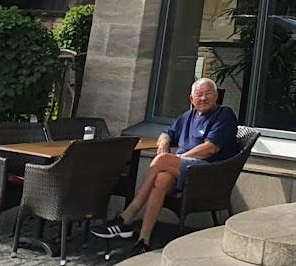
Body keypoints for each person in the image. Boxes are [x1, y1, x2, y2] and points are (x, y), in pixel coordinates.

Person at [92, 79, 237, 254]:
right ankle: (143, 240)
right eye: (199, 94)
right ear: (191, 99)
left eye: (208, 93)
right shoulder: (187, 116)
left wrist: (176, 158)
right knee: (161, 179)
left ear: (216, 96)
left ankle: (129, 215)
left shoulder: (224, 114)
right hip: (182, 170)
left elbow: (210, 148)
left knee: (162, 161)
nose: (203, 98)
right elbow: (166, 133)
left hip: (206, 171)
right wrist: (163, 144)